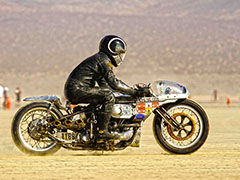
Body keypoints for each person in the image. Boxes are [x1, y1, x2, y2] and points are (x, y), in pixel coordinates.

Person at [64, 35, 144, 140]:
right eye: (120, 53)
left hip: (75, 89)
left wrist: (127, 92)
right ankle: (103, 131)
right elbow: (114, 84)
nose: (121, 56)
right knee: (108, 96)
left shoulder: (100, 60)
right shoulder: (104, 61)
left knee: (107, 94)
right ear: (113, 50)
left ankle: (93, 125)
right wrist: (133, 92)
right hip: (77, 89)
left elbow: (106, 84)